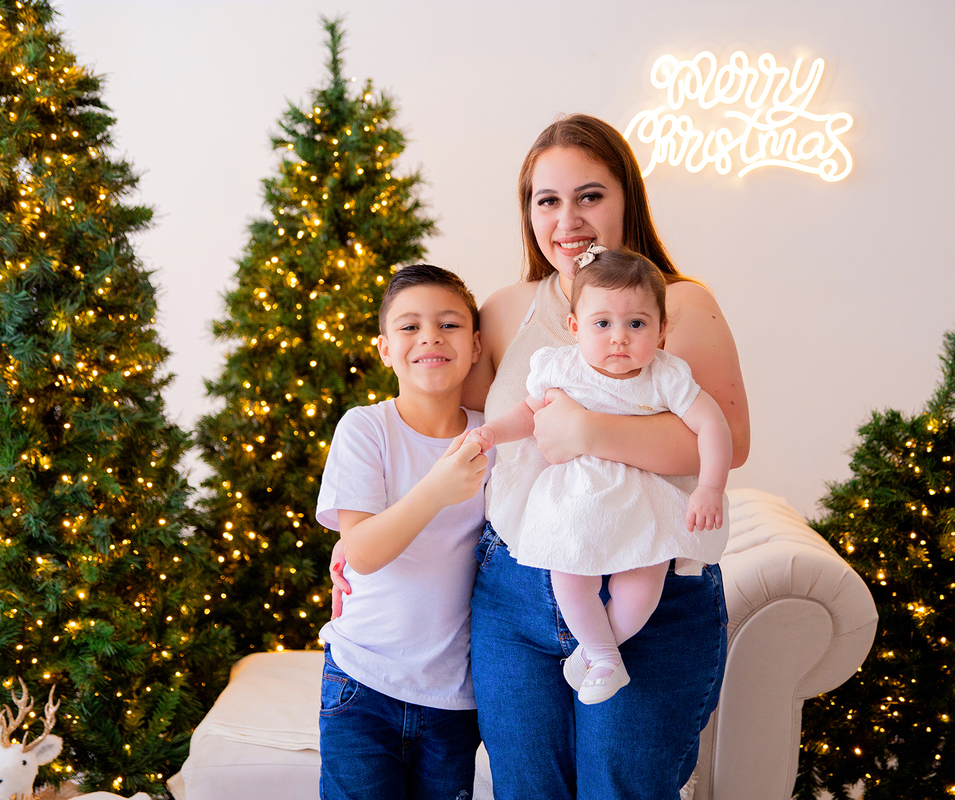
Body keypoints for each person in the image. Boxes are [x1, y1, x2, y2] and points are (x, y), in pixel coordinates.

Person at [461, 114, 749, 800]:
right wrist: (364, 531)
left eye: (590, 196)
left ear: (627, 200)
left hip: (645, 577)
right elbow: (462, 439)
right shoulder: (504, 310)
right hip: (515, 590)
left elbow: (729, 439)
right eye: (548, 200)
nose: (568, 221)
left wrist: (586, 431)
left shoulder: (680, 303)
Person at [465, 247, 732, 707]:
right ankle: (603, 652)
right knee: (569, 576)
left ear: (661, 330)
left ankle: (601, 651)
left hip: (643, 499)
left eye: (637, 324)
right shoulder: (560, 367)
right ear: (575, 327)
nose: (619, 338)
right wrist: (492, 433)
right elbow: (528, 413)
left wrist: (710, 487)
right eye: (602, 323)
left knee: (644, 582)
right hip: (576, 499)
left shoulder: (666, 376)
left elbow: (714, 426)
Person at [314, 264, 492, 800]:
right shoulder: (365, 428)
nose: (430, 337)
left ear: (476, 345)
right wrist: (437, 488)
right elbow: (363, 553)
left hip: (452, 699)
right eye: (410, 326)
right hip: (361, 681)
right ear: (385, 349)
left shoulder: (493, 437)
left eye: (449, 324)